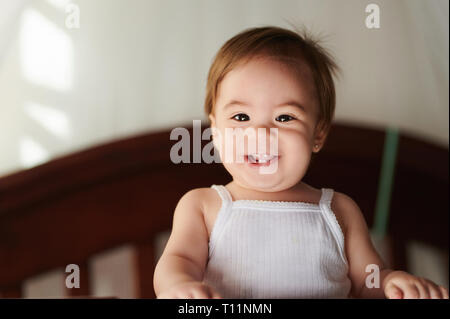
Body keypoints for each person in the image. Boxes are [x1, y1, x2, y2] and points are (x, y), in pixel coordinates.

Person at [153, 26, 449, 299]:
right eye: (241, 117)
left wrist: (390, 283)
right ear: (215, 132)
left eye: (285, 118)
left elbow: (366, 281)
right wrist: (180, 287)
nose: (260, 133)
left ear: (318, 134)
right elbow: (179, 261)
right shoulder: (204, 206)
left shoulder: (339, 211)